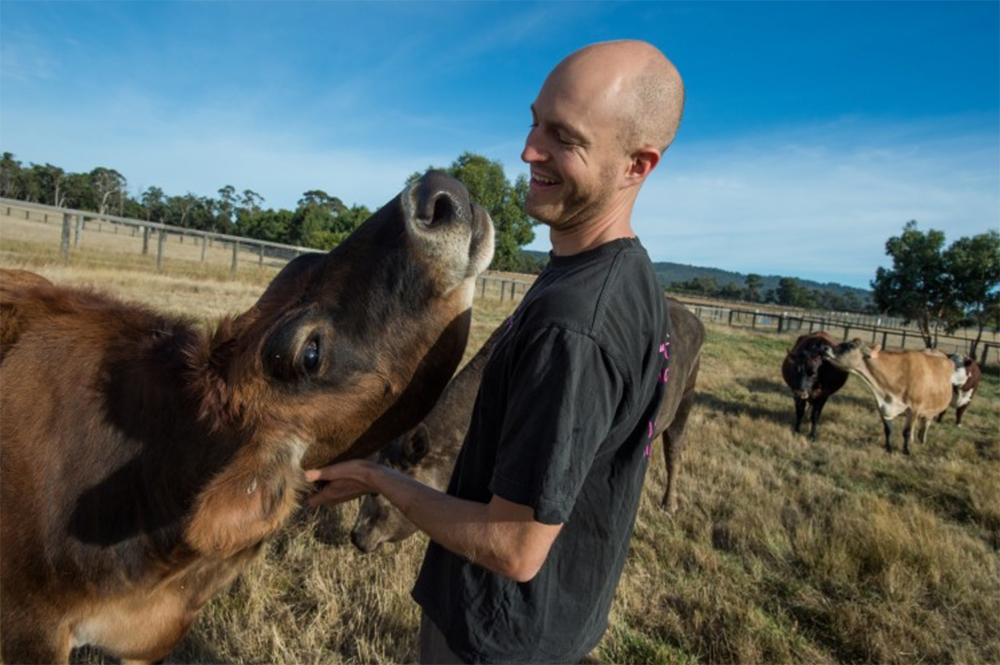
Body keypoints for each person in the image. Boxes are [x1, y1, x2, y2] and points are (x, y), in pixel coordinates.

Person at [306, 39, 685, 664]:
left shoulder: (576, 327)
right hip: (552, 621)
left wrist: (380, 478)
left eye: (564, 137)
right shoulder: (623, 276)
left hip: (494, 641)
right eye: (534, 121)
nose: (528, 150)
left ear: (637, 165)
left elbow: (515, 546)